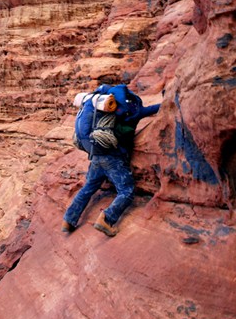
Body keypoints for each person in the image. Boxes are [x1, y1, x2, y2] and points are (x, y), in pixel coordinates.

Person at [62, 84, 163, 237]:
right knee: (126, 191)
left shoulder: (108, 109)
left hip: (97, 154)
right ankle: (106, 219)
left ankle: (69, 220)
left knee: (88, 187)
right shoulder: (134, 111)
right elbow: (152, 109)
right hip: (113, 157)